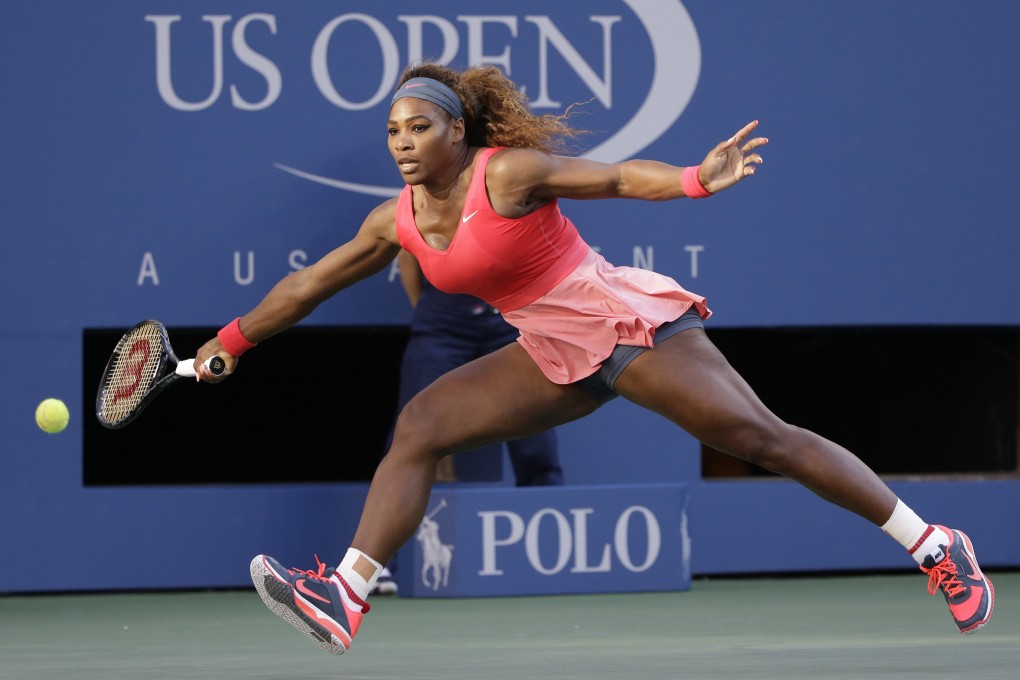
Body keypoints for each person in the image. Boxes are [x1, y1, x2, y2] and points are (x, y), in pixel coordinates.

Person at [194, 63, 994, 654]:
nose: (404, 144)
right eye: (395, 131)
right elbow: (308, 286)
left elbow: (612, 177)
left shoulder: (505, 175)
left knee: (760, 440)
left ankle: (933, 545)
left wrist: (693, 180)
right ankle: (345, 594)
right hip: (546, 350)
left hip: (620, 323)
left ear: (457, 131)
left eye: (420, 127)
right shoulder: (393, 221)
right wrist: (230, 343)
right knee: (423, 424)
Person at [395, 248, 564, 486]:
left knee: (534, 425)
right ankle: (423, 515)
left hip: (508, 321)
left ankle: (543, 501)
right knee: (416, 427)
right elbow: (408, 253)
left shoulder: (517, 210)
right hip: (442, 323)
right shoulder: (429, 211)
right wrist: (425, 308)